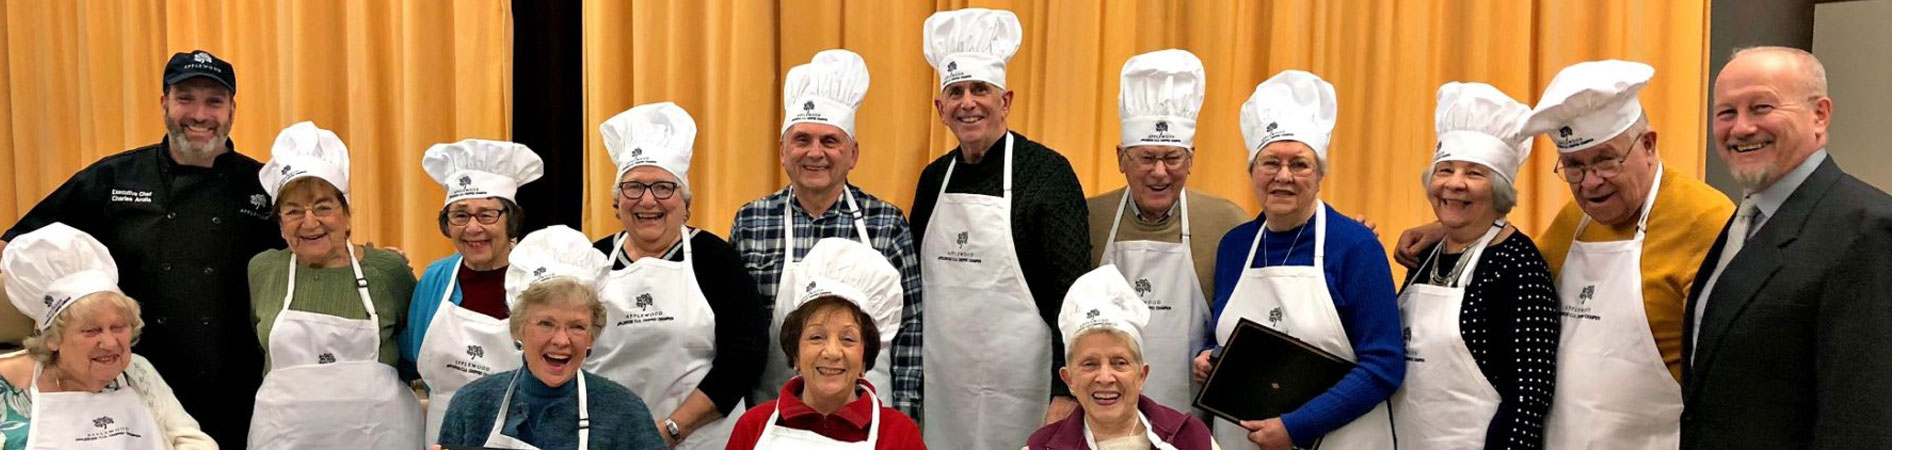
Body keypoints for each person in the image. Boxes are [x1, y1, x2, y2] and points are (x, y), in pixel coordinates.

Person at [0, 50, 279, 447]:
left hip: (234, 384)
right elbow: (15, 242)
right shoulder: (113, 177)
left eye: (213, 101)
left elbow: (310, 245)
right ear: (164, 102)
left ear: (232, 109)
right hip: (129, 377)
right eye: (185, 98)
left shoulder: (261, 186)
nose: (199, 114)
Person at [1680, 46, 1889, 449]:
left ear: (1820, 115)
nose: (1741, 128)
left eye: (1761, 107)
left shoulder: (1870, 231)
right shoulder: (1746, 220)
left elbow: (1863, 419)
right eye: (1726, 113)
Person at [911, 8, 1093, 446]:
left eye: (980, 90)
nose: (968, 102)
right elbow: (915, 292)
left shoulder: (1047, 174)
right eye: (955, 91)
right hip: (942, 394)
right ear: (941, 108)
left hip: (1026, 396)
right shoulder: (935, 178)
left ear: (1005, 100)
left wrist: (1065, 391)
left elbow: (1072, 295)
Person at [1194, 70, 1401, 450]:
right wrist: (1208, 356)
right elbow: (1221, 333)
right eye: (1270, 162)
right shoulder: (1236, 246)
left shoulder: (1355, 246)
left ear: (1320, 174)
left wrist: (1297, 426)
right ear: (1252, 171)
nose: (1283, 176)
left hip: (1341, 439)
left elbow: (1384, 364)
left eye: (1300, 164)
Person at [731, 49, 924, 419]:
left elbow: (911, 336)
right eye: (802, 140)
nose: (815, 153)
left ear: (853, 153)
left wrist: (905, 420)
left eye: (829, 141)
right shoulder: (751, 221)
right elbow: (739, 331)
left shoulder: (886, 222)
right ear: (783, 151)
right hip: (773, 413)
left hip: (869, 416)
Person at [1389, 82, 1558, 450]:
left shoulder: (1518, 264)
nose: (1454, 184)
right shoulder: (1426, 255)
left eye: (1474, 173)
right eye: (1445, 170)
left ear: (1499, 189)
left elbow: (1529, 396)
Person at [591, 102, 767, 449]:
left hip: (700, 438)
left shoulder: (715, 258)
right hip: (611, 438)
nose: (647, 201)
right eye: (633, 187)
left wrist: (672, 428)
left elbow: (745, 356)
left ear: (685, 201)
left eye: (663, 187)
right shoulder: (592, 259)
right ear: (617, 201)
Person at [1086, 49, 1248, 414]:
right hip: (1103, 420)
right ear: (1120, 158)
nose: (1160, 172)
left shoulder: (1228, 222)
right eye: (1146, 158)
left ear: (1191, 160)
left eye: (1172, 158)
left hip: (1192, 423)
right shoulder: (1089, 217)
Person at [245, 121, 422, 449]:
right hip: (284, 439)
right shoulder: (264, 270)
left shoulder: (387, 270)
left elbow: (416, 353)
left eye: (324, 207)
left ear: (347, 215)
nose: (309, 222)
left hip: (379, 438)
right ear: (281, 224)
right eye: (293, 211)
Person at [436, 225, 668, 449]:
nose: (561, 340)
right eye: (546, 324)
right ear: (518, 329)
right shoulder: (471, 405)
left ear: (592, 336)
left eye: (577, 326)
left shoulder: (625, 412)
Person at [0, 223, 214, 449]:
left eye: (118, 327)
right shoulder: (7, 385)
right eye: (91, 331)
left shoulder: (138, 372)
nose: (110, 343)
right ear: (53, 339)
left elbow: (193, 442)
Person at [725, 238, 927, 449]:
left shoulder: (898, 433)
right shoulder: (753, 425)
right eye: (816, 337)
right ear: (796, 354)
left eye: (848, 339)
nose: (832, 352)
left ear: (865, 359)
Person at [406, 138, 545, 445]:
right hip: (444, 433)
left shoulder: (540, 280)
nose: (472, 228)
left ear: (511, 220)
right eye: (460, 215)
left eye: (486, 215)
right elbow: (413, 353)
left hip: (521, 434)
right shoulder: (435, 279)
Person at [1023, 265, 1220, 450]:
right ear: (1069, 379)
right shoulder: (1042, 447)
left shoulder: (1190, 439)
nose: (1105, 378)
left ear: (1142, 375)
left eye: (1120, 363)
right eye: (1089, 364)